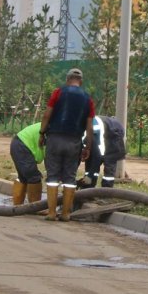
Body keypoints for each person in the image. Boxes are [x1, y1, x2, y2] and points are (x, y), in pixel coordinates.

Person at [39, 68, 94, 221]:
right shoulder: (88, 99)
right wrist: (88, 147)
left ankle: (51, 213)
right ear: (81, 81)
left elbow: (47, 115)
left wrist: (41, 133)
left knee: (52, 176)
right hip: (74, 142)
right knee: (70, 178)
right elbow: (89, 127)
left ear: (67, 79)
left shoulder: (58, 93)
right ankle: (66, 214)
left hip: (55, 139)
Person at [78, 115, 128, 189]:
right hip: (101, 131)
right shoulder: (76, 134)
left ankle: (106, 190)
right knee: (90, 162)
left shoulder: (91, 133)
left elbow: (97, 157)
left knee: (109, 164)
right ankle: (88, 187)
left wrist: (89, 176)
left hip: (113, 132)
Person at [9, 122, 45, 206]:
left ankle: (18, 207)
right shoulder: (54, 131)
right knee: (33, 177)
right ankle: (34, 208)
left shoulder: (55, 127)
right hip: (22, 145)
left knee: (23, 177)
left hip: (19, 144)